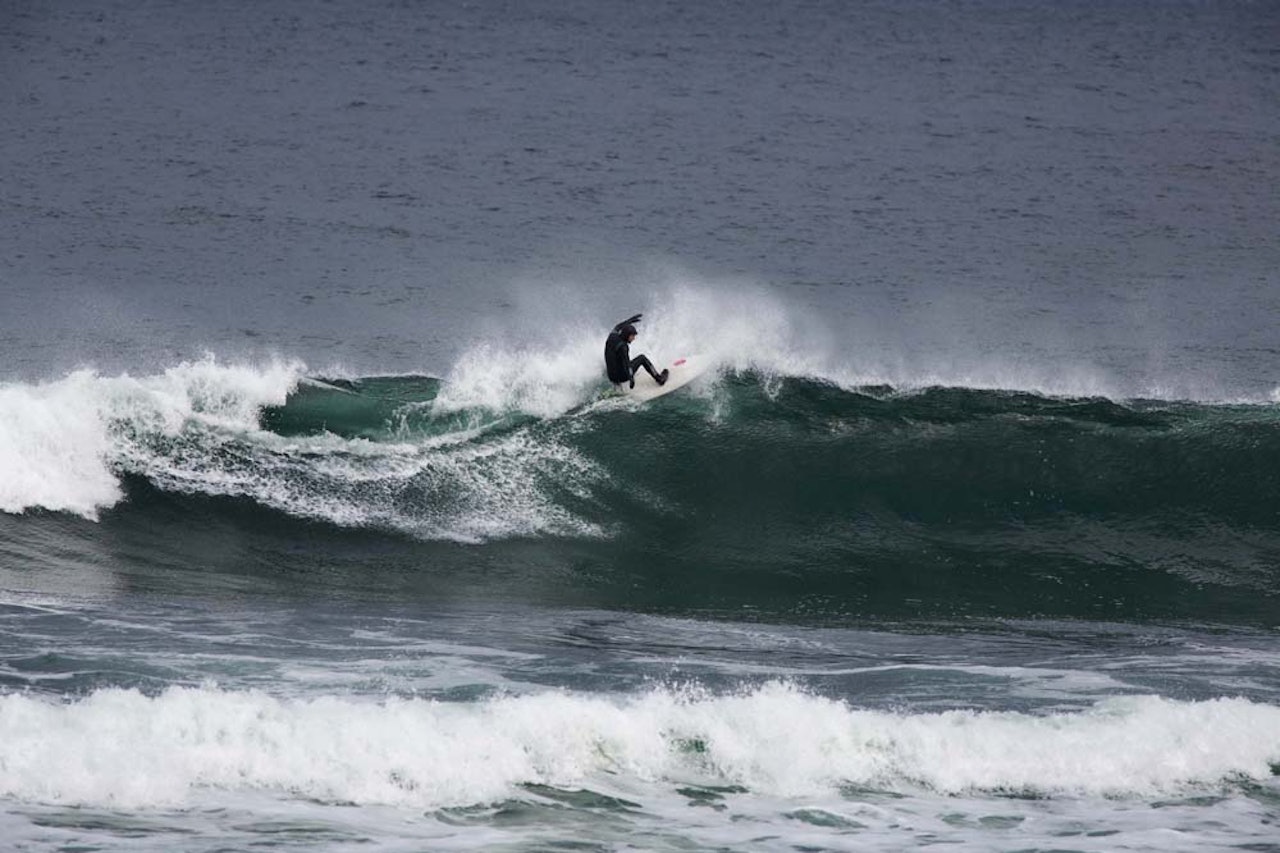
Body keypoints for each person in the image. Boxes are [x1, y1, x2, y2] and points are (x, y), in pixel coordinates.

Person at [604, 313, 668, 389]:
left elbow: (617, 327)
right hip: (622, 377)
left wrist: (629, 321)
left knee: (615, 358)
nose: (634, 338)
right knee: (642, 358)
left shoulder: (612, 336)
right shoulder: (623, 347)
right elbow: (627, 363)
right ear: (627, 335)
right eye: (632, 336)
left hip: (611, 377)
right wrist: (631, 378)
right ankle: (659, 379)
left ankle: (617, 383)